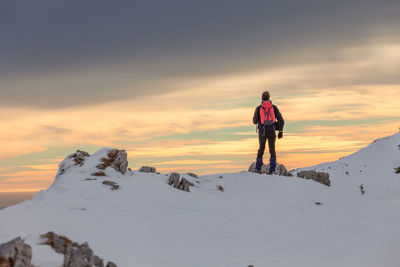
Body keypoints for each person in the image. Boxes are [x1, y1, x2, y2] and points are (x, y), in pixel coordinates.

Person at [253, 91, 285, 174]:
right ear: (269, 98)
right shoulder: (274, 107)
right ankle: (272, 170)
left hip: (262, 132)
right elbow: (281, 120)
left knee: (261, 149)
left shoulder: (258, 108)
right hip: (272, 131)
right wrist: (280, 131)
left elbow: (254, 121)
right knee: (272, 150)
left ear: (261, 98)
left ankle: (258, 168)